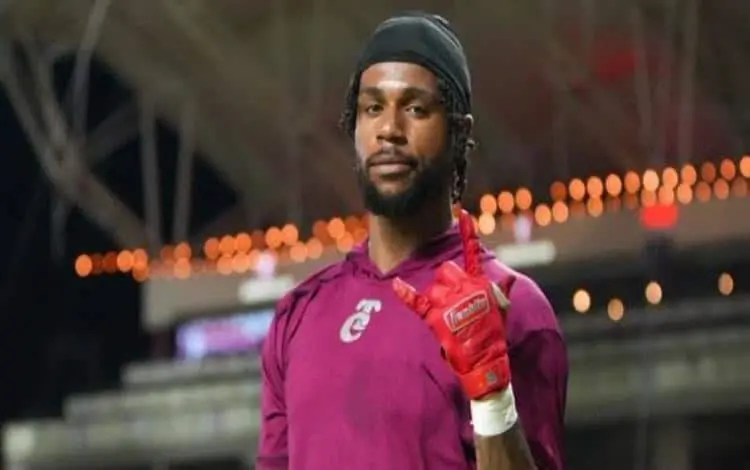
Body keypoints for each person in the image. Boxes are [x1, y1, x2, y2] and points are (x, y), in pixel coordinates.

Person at [257, 12, 567, 470]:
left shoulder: (512, 307)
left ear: (459, 133)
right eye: (372, 108)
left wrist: (491, 394)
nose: (389, 129)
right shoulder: (297, 314)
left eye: (416, 109)